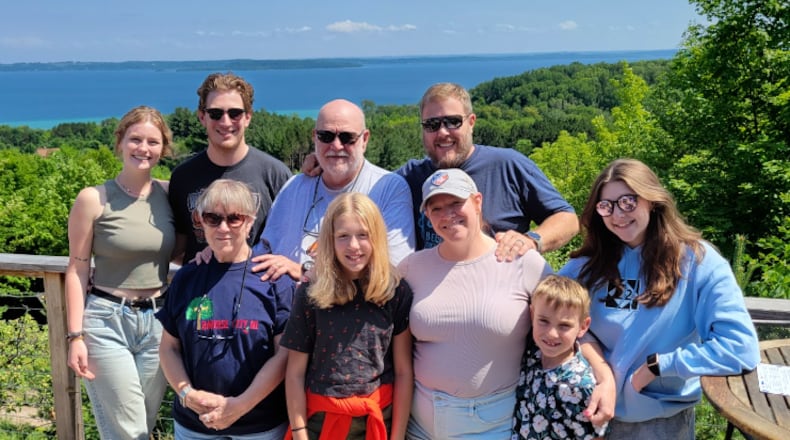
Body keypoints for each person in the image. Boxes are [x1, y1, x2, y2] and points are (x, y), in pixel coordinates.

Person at [558, 158, 760, 439]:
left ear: (652, 201)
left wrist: (659, 366)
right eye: (606, 206)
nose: (617, 214)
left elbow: (739, 348)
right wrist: (603, 373)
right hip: (586, 418)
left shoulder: (698, 263)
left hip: (660, 425)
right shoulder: (586, 267)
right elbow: (548, 316)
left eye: (628, 202)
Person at [303, 83, 579, 260]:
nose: (443, 132)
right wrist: (328, 160)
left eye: (452, 122)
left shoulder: (507, 165)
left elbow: (567, 219)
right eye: (432, 124)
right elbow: (362, 193)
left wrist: (531, 241)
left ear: (471, 122)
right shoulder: (409, 177)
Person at [397, 168, 559, 439]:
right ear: (427, 215)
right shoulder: (412, 267)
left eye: (456, 203)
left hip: (490, 425)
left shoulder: (523, 262)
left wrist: (601, 377)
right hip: (420, 424)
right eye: (436, 209)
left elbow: (569, 321)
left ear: (477, 202)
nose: (447, 215)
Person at [65, 105, 176, 439]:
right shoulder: (93, 199)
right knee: (130, 431)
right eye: (135, 139)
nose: (143, 148)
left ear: (163, 148)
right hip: (107, 321)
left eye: (153, 142)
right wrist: (75, 336)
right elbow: (77, 269)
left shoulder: (170, 194)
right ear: (120, 142)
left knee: (141, 424)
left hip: (159, 323)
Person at [156, 179, 295, 439]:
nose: (223, 228)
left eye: (234, 218)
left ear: (250, 221)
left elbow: (284, 355)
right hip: (194, 425)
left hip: (259, 427)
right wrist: (187, 394)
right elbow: (168, 348)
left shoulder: (274, 280)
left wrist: (238, 407)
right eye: (213, 218)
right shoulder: (186, 277)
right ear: (201, 221)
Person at [281, 192, 414, 440]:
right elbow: (295, 373)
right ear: (330, 240)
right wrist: (299, 433)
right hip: (319, 423)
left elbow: (404, 371)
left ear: (377, 237)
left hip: (377, 420)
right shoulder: (310, 293)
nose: (353, 245)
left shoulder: (395, 291)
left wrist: (397, 436)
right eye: (343, 236)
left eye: (363, 235)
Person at [254, 99, 414, 282]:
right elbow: (264, 250)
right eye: (326, 136)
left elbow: (394, 270)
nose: (336, 145)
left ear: (364, 139)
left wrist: (305, 271)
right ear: (314, 137)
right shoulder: (294, 186)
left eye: (347, 137)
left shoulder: (389, 188)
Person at [169, 71, 292, 263]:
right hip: (199, 282)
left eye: (235, 113)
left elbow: (291, 239)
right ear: (202, 117)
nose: (225, 122)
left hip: (257, 280)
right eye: (215, 114)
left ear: (248, 117)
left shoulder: (275, 175)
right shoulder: (182, 177)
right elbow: (178, 247)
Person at [512, 275, 608, 440]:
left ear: (583, 326)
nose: (551, 334)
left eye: (564, 325)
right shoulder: (531, 355)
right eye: (543, 321)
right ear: (532, 314)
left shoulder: (580, 386)